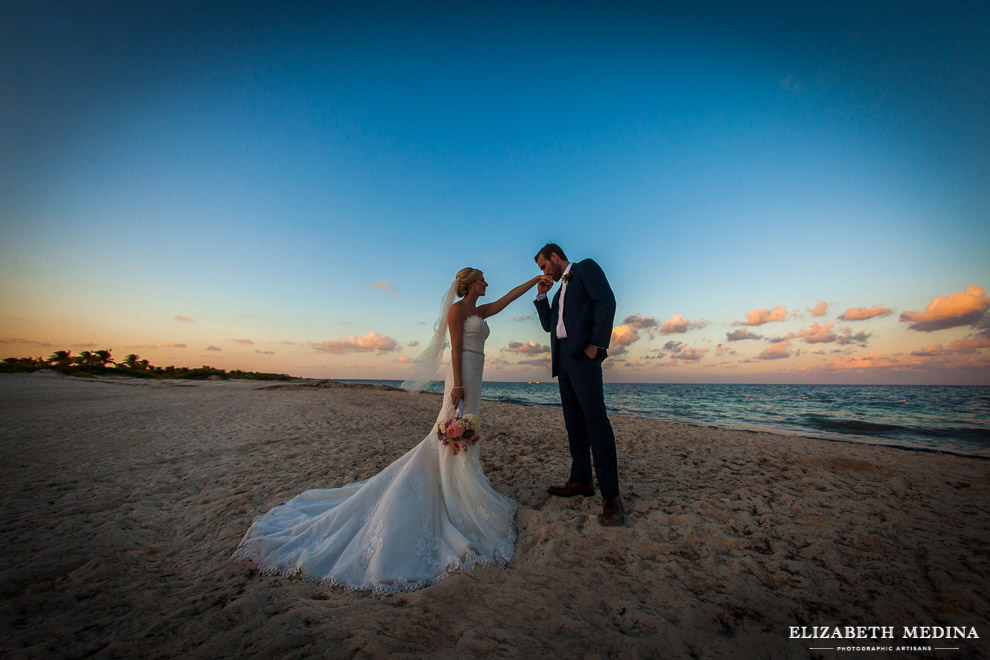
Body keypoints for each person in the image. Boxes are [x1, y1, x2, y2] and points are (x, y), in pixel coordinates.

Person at [233, 268, 545, 593]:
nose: (487, 283)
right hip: (463, 375)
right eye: (482, 279)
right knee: (451, 431)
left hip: (476, 373)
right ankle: (452, 484)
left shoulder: (480, 310)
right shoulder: (457, 310)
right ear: (470, 284)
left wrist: (534, 282)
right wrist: (458, 385)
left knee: (467, 431)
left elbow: (507, 299)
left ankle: (460, 480)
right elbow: (454, 348)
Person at [533, 243, 623, 526]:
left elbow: (606, 302)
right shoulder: (559, 291)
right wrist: (542, 296)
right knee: (574, 424)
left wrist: (595, 346)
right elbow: (550, 326)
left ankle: (612, 497)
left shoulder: (585, 268)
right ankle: (581, 479)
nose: (544, 272)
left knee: (596, 422)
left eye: (544, 266)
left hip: (584, 358)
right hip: (563, 363)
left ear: (555, 257)